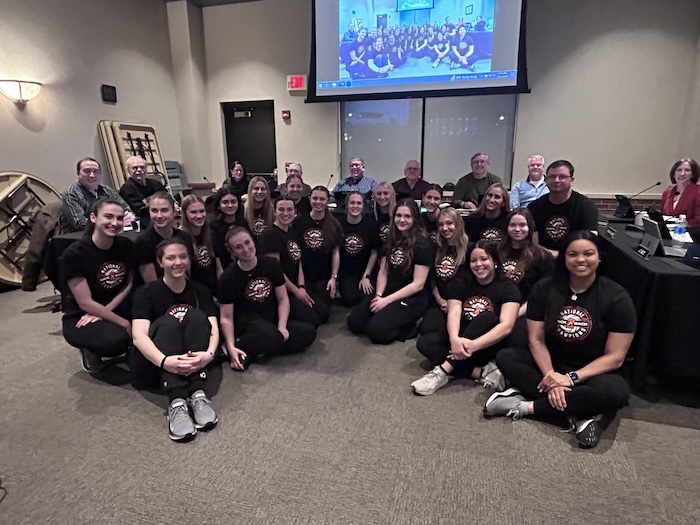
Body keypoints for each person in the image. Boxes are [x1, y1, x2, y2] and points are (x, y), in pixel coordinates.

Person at [485, 231, 637, 449]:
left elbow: (615, 357)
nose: (581, 260)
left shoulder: (617, 297)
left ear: (599, 257)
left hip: (591, 372)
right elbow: (536, 341)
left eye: (588, 253)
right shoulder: (544, 288)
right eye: (573, 254)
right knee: (506, 357)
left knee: (616, 392)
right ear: (564, 258)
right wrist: (552, 377)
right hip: (550, 365)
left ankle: (526, 407)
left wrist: (571, 379)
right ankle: (581, 413)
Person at [131, 238, 220, 442]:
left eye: (183, 256)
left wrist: (209, 355)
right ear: (160, 262)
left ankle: (197, 394)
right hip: (156, 365)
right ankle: (177, 400)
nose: (178, 262)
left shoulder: (200, 290)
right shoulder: (146, 293)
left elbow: (213, 328)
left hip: (195, 363)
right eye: (171, 258)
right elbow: (138, 335)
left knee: (196, 316)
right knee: (168, 323)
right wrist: (165, 361)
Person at [412, 241, 520, 395]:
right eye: (473, 260)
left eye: (484, 259)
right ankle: (481, 372)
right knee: (425, 343)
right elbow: (454, 312)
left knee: (487, 317)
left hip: (488, 344)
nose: (478, 264)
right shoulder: (461, 282)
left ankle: (443, 371)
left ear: (494, 261)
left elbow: (506, 326)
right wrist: (454, 339)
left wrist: (475, 344)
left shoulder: (508, 287)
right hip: (463, 338)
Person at [218, 227, 317, 370]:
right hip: (250, 325)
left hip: (271, 319)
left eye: (247, 242)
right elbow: (226, 318)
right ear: (232, 252)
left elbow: (282, 299)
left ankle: (251, 351)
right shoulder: (227, 278)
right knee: (273, 337)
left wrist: (282, 326)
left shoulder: (271, 264)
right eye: (238, 247)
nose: (245, 249)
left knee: (308, 332)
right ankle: (238, 346)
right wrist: (231, 344)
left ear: (253, 241)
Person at [60, 198, 136, 374]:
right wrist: (124, 323)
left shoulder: (126, 246)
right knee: (117, 340)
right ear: (93, 218)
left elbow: (129, 283)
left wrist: (107, 311)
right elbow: (85, 302)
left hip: (113, 306)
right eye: (108, 217)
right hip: (83, 315)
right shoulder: (75, 254)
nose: (114, 223)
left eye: (119, 218)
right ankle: (89, 350)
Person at [347, 199, 434, 344]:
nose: (402, 220)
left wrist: (386, 301)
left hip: (411, 297)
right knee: (355, 323)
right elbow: (383, 270)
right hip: (389, 290)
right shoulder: (392, 237)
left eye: (407, 216)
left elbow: (418, 284)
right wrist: (378, 296)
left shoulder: (422, 244)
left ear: (415, 219)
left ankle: (411, 326)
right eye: (399, 215)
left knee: (376, 331)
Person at [258, 196, 329, 327]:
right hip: (281, 291)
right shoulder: (270, 236)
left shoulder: (292, 232)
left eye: (289, 210)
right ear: (274, 212)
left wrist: (302, 287)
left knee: (323, 313)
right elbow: (276, 271)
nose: (286, 213)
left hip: (296, 286)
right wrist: (296, 292)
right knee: (312, 320)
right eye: (281, 209)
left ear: (295, 212)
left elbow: (298, 261)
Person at [497, 208, 554, 352]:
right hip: (497, 307)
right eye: (512, 225)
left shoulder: (542, 255)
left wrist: (515, 313)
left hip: (526, 310)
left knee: (514, 338)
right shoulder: (496, 251)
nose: (517, 229)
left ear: (530, 227)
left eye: (522, 225)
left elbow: (541, 294)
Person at [529, 160, 599, 256]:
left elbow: (589, 244)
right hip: (543, 258)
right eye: (552, 177)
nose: (556, 180)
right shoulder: (534, 207)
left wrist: (563, 255)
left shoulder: (586, 206)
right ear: (546, 180)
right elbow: (532, 245)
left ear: (572, 180)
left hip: (574, 258)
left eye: (562, 177)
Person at [420, 206, 471, 337]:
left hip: (461, 302)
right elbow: (432, 279)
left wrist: (454, 304)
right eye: (441, 224)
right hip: (441, 301)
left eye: (449, 223)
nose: (445, 228)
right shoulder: (436, 248)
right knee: (428, 329)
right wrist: (440, 300)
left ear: (458, 224)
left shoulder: (470, 249)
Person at [293, 186, 343, 306]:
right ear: (310, 199)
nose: (318, 202)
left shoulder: (334, 224)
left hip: (324, 277)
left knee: (323, 309)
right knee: (308, 306)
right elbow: (296, 254)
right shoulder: (299, 222)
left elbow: (335, 253)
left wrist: (333, 278)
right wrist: (300, 284)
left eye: (322, 199)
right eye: (315, 198)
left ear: (327, 201)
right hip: (304, 277)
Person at [133, 191, 194, 284]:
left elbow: (187, 273)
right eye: (154, 211)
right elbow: (152, 284)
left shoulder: (185, 238)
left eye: (164, 210)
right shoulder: (143, 242)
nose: (159, 215)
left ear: (174, 212)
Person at [61, 157, 134, 233]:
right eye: (87, 171)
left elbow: (126, 209)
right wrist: (111, 223)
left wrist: (128, 216)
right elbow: (80, 223)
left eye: (95, 171)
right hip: (77, 235)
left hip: (110, 232)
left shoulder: (107, 190)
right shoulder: (71, 194)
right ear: (78, 174)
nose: (92, 175)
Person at [338, 192, 379, 307]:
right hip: (346, 272)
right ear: (346, 205)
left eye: (359, 203)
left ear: (363, 206)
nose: (355, 206)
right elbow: (335, 252)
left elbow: (374, 252)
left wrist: (366, 276)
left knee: (366, 298)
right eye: (352, 203)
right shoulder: (339, 224)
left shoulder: (371, 225)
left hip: (365, 270)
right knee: (349, 299)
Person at [179, 195, 217, 297]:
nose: (199, 216)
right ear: (185, 214)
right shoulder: (180, 238)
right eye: (193, 212)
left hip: (214, 290)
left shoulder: (211, 234)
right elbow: (185, 275)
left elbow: (218, 268)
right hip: (195, 293)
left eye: (202, 211)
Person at [118, 155, 165, 228]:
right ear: (128, 171)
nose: (139, 170)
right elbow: (139, 211)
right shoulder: (126, 188)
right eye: (135, 168)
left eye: (142, 167)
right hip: (143, 223)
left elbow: (167, 199)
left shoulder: (156, 183)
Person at [210, 187, 248, 275]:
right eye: (225, 202)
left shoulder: (243, 223)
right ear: (219, 205)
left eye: (233, 202)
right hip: (224, 270)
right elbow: (216, 255)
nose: (230, 205)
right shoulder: (213, 227)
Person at [659, 158, 700, 228]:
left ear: (693, 174)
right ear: (674, 173)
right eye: (679, 170)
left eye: (687, 170)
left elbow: (698, 220)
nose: (682, 174)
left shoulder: (698, 192)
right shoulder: (667, 192)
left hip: (690, 232)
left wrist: (683, 226)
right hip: (667, 232)